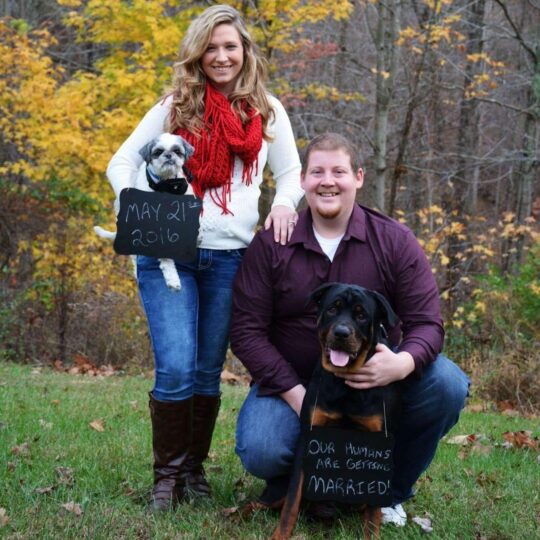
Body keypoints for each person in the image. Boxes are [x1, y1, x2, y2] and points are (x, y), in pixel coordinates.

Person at [105, 5, 303, 511]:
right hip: (167, 253)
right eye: (211, 48)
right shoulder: (175, 106)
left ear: (245, 52)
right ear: (198, 53)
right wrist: (140, 208)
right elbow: (122, 161)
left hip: (231, 259)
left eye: (230, 47)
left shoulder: (267, 110)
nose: (220, 57)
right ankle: (165, 481)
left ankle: (193, 472)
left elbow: (292, 174)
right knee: (174, 368)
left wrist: (282, 205)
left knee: (206, 371)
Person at [230, 132, 470, 525]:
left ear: (358, 177)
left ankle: (388, 493)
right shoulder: (272, 243)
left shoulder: (393, 240)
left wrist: (402, 363)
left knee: (447, 383)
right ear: (303, 181)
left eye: (338, 171)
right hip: (295, 382)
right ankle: (308, 488)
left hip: (375, 386)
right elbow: (246, 330)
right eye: (317, 171)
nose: (328, 181)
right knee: (262, 447)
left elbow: (427, 322)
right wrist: (297, 394)